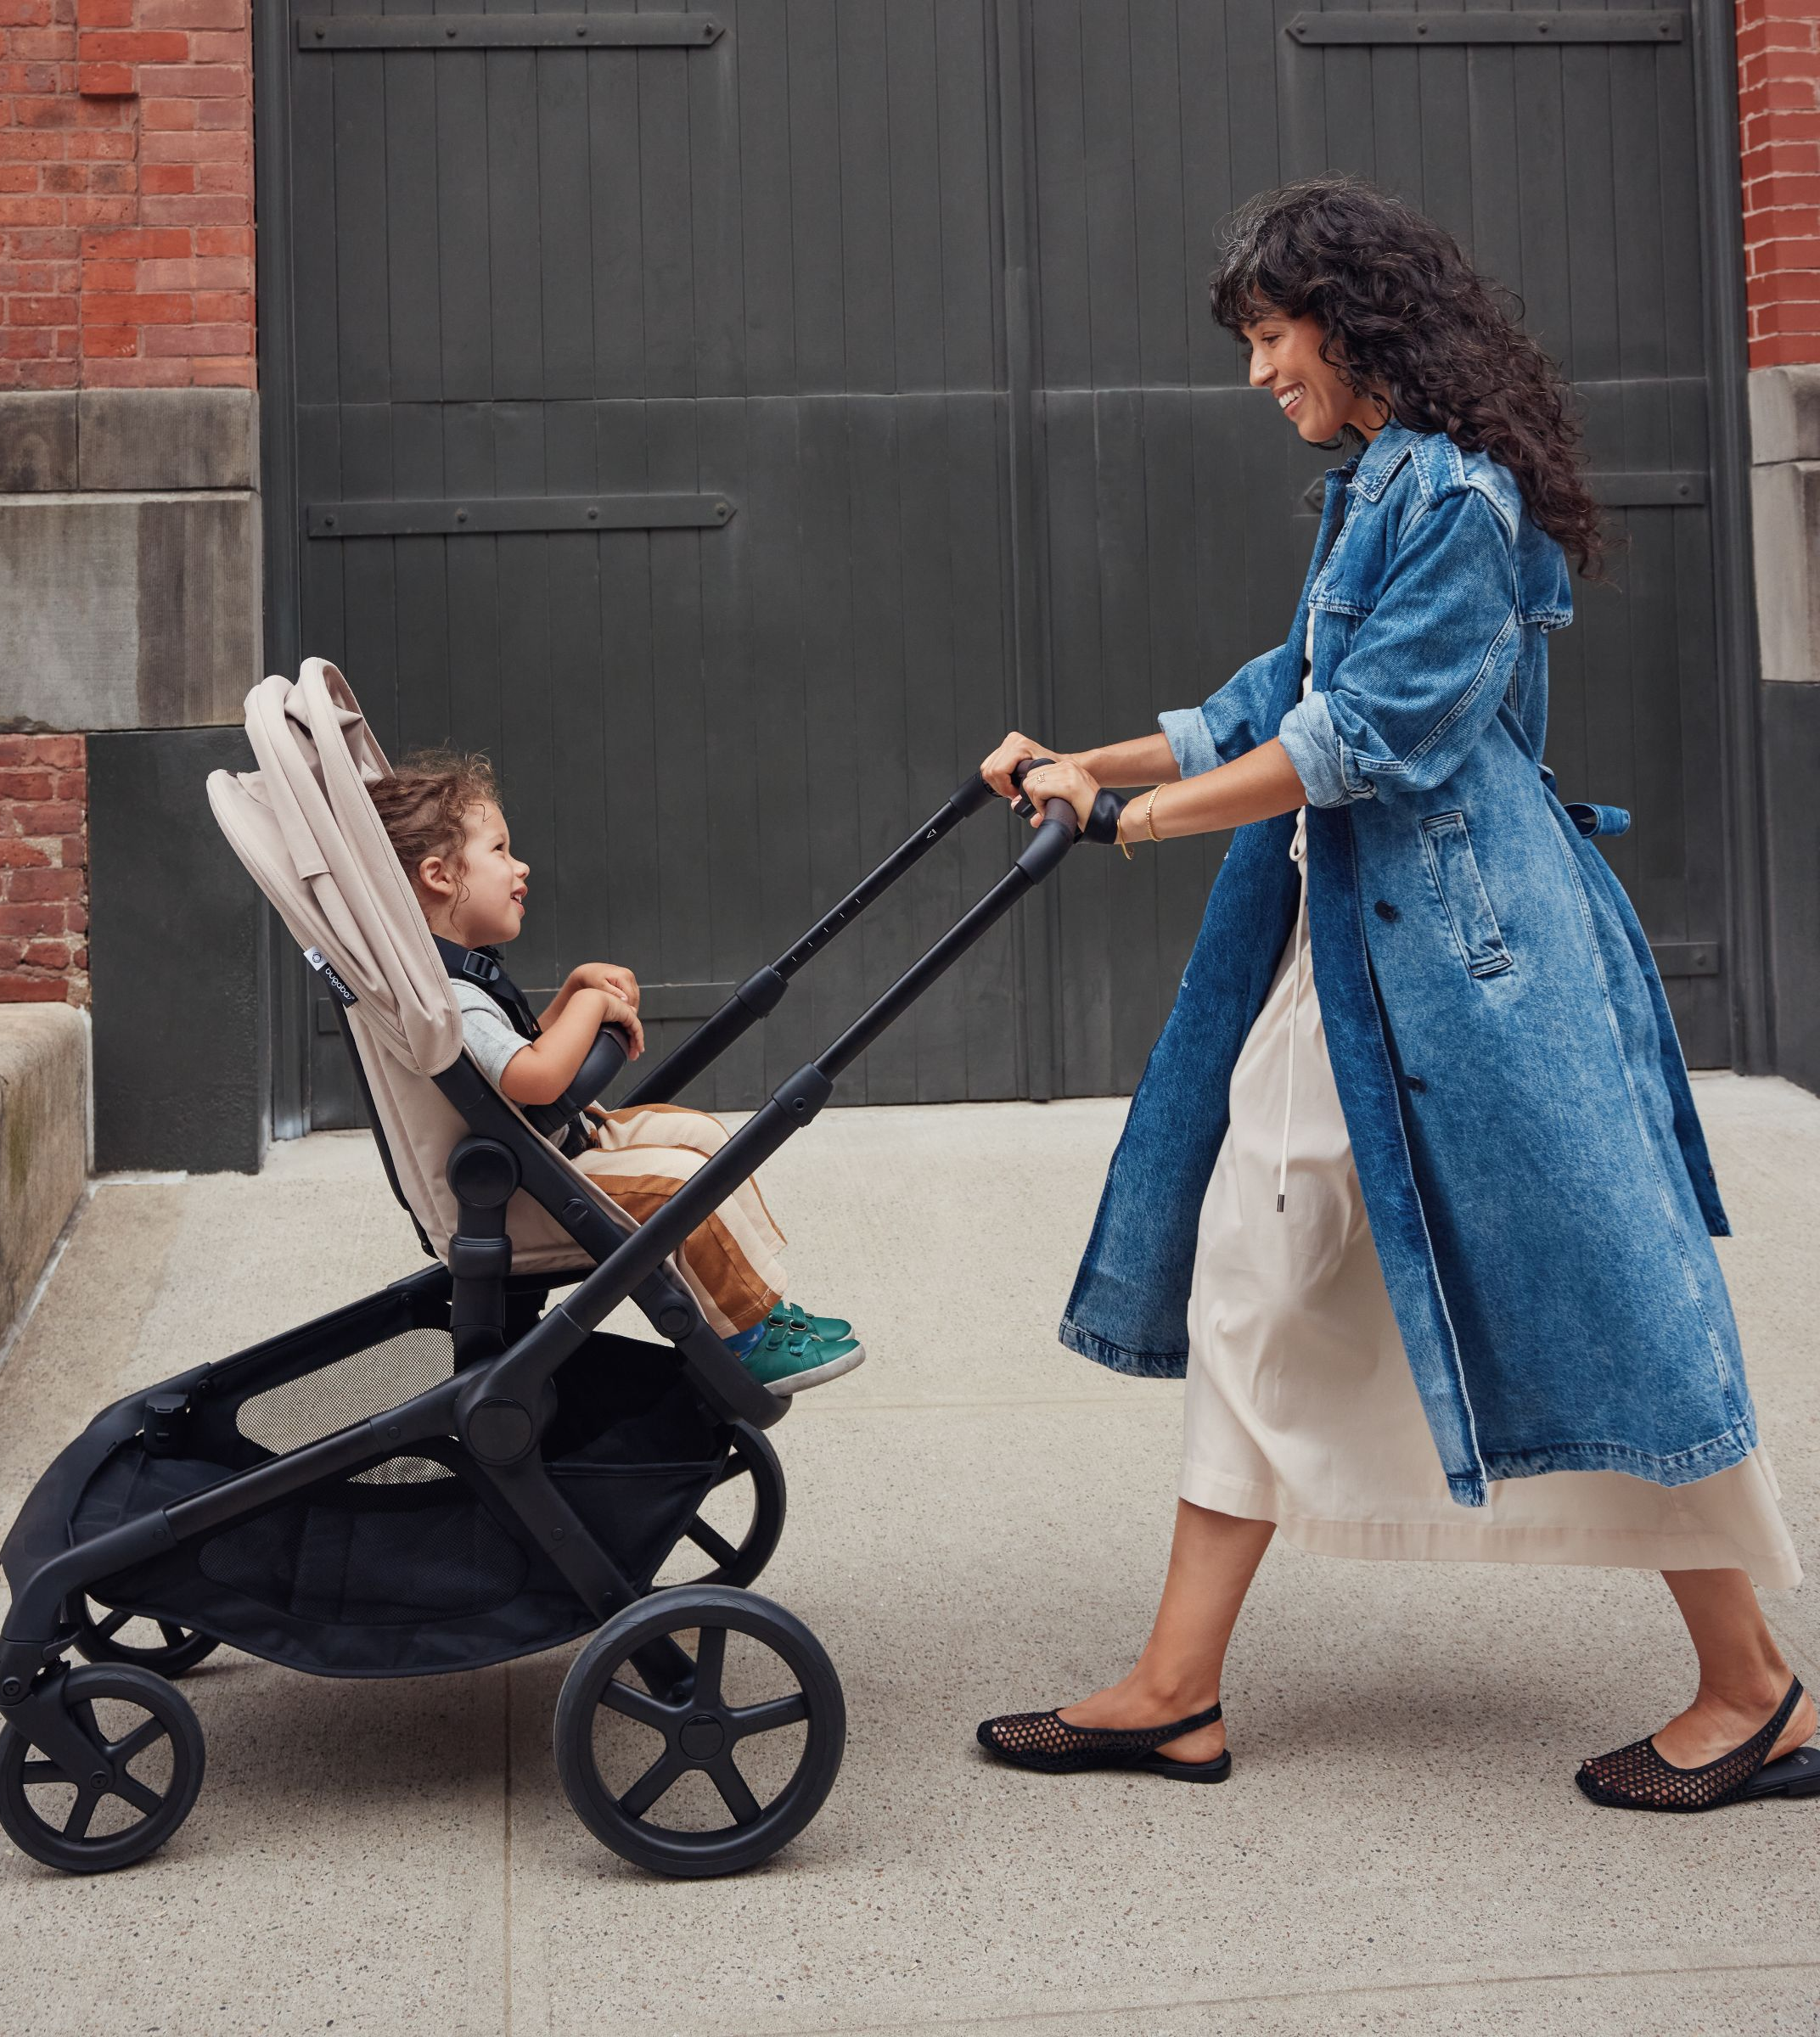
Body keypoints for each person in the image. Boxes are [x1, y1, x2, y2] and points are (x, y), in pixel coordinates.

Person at [973, 175, 1814, 1813]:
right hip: (1354, 956)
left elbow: (1359, 741)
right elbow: (1276, 693)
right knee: (1255, 1279)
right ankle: (1175, 1690)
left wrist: (1133, 821)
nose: (1256, 373)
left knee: (1608, 1311)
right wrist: (1096, 763)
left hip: (1474, 971)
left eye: (1270, 338)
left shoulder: (1463, 502)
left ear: (1352, 326)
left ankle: (1753, 1688)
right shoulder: (1380, 485)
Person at [368, 751, 864, 1396]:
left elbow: (512, 1058)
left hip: (541, 1158)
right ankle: (745, 1341)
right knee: (678, 1185)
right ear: (438, 876)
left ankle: (757, 1307)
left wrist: (572, 990)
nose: (520, 867)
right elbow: (533, 1080)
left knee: (698, 1137)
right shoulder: (450, 997)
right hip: (518, 1195)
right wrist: (591, 1008)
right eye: (499, 850)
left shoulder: (456, 977)